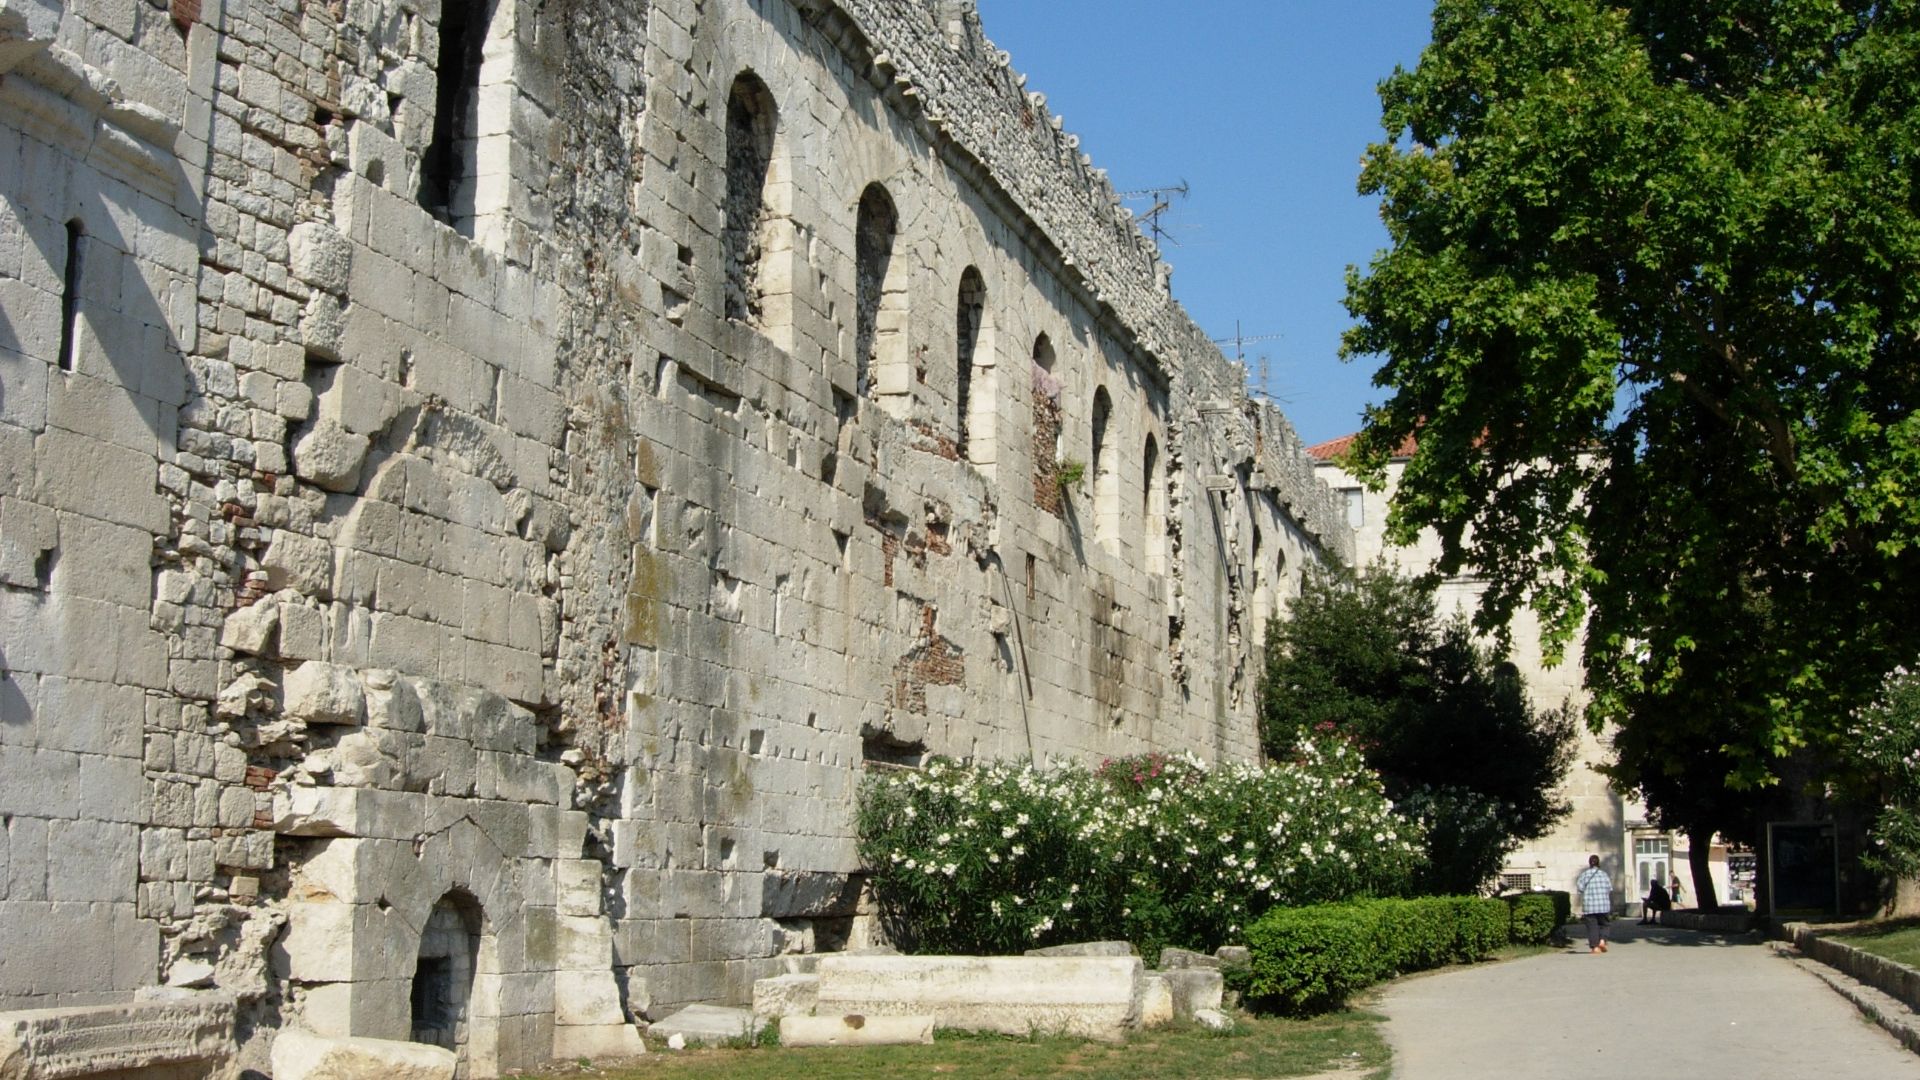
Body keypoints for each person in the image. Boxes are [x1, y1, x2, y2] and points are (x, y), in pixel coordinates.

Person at [1575, 854, 1613, 953]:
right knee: (1605, 924)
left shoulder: (1584, 875)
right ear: (1598, 862)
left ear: (1589, 863)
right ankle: (1602, 941)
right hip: (1603, 906)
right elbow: (1609, 889)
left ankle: (1595, 947)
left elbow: (1580, 888)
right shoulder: (1604, 874)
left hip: (1589, 906)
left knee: (1592, 927)